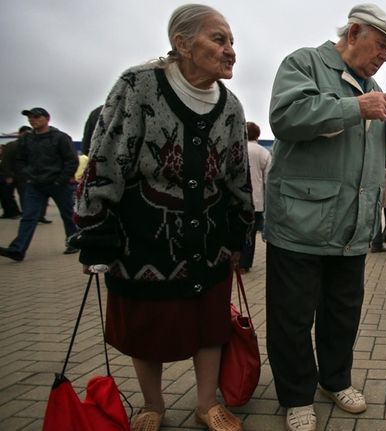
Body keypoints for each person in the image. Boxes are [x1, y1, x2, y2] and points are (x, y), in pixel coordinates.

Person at [69, 5, 252, 431]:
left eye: (231, 42)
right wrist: (94, 231)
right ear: (182, 43)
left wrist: (242, 231)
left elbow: (238, 176)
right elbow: (105, 158)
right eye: (219, 39)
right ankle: (153, 405)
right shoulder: (138, 86)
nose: (230, 51)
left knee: (210, 325)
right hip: (143, 237)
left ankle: (207, 404)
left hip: (208, 238)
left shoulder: (231, 105)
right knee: (145, 323)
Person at [265, 4, 386, 431]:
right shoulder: (304, 63)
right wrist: (356, 108)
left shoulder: (370, 86)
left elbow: (373, 149)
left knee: (342, 313)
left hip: (351, 226)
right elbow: (287, 117)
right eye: (380, 46)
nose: (384, 57)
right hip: (301, 222)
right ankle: (296, 396)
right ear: (353, 32)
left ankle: (335, 381)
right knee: (292, 318)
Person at [0, 108, 78, 261]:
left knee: (68, 215)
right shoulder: (26, 139)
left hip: (58, 184)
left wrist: (61, 179)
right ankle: (17, 249)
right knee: (28, 216)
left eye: (36, 117)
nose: (32, 120)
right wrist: (27, 176)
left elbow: (71, 160)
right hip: (35, 185)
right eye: (30, 117)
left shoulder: (60, 138)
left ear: (47, 118)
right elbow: (20, 160)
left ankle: (73, 242)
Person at [239, 121, 271, 273]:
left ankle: (232, 261)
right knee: (250, 235)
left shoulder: (237, 148)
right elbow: (268, 179)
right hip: (256, 201)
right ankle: (244, 264)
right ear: (257, 135)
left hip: (236, 199)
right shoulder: (263, 152)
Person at [0, 126, 30, 219]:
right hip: (12, 174)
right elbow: (6, 161)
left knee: (25, 195)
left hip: (24, 175)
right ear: (20, 134)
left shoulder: (31, 146)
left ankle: (26, 214)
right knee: (7, 195)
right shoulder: (11, 145)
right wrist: (8, 175)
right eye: (25, 133)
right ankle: (11, 212)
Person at [369, 154, 386, 252]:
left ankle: (376, 242)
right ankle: (378, 243)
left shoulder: (373, 162)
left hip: (378, 194)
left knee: (376, 218)